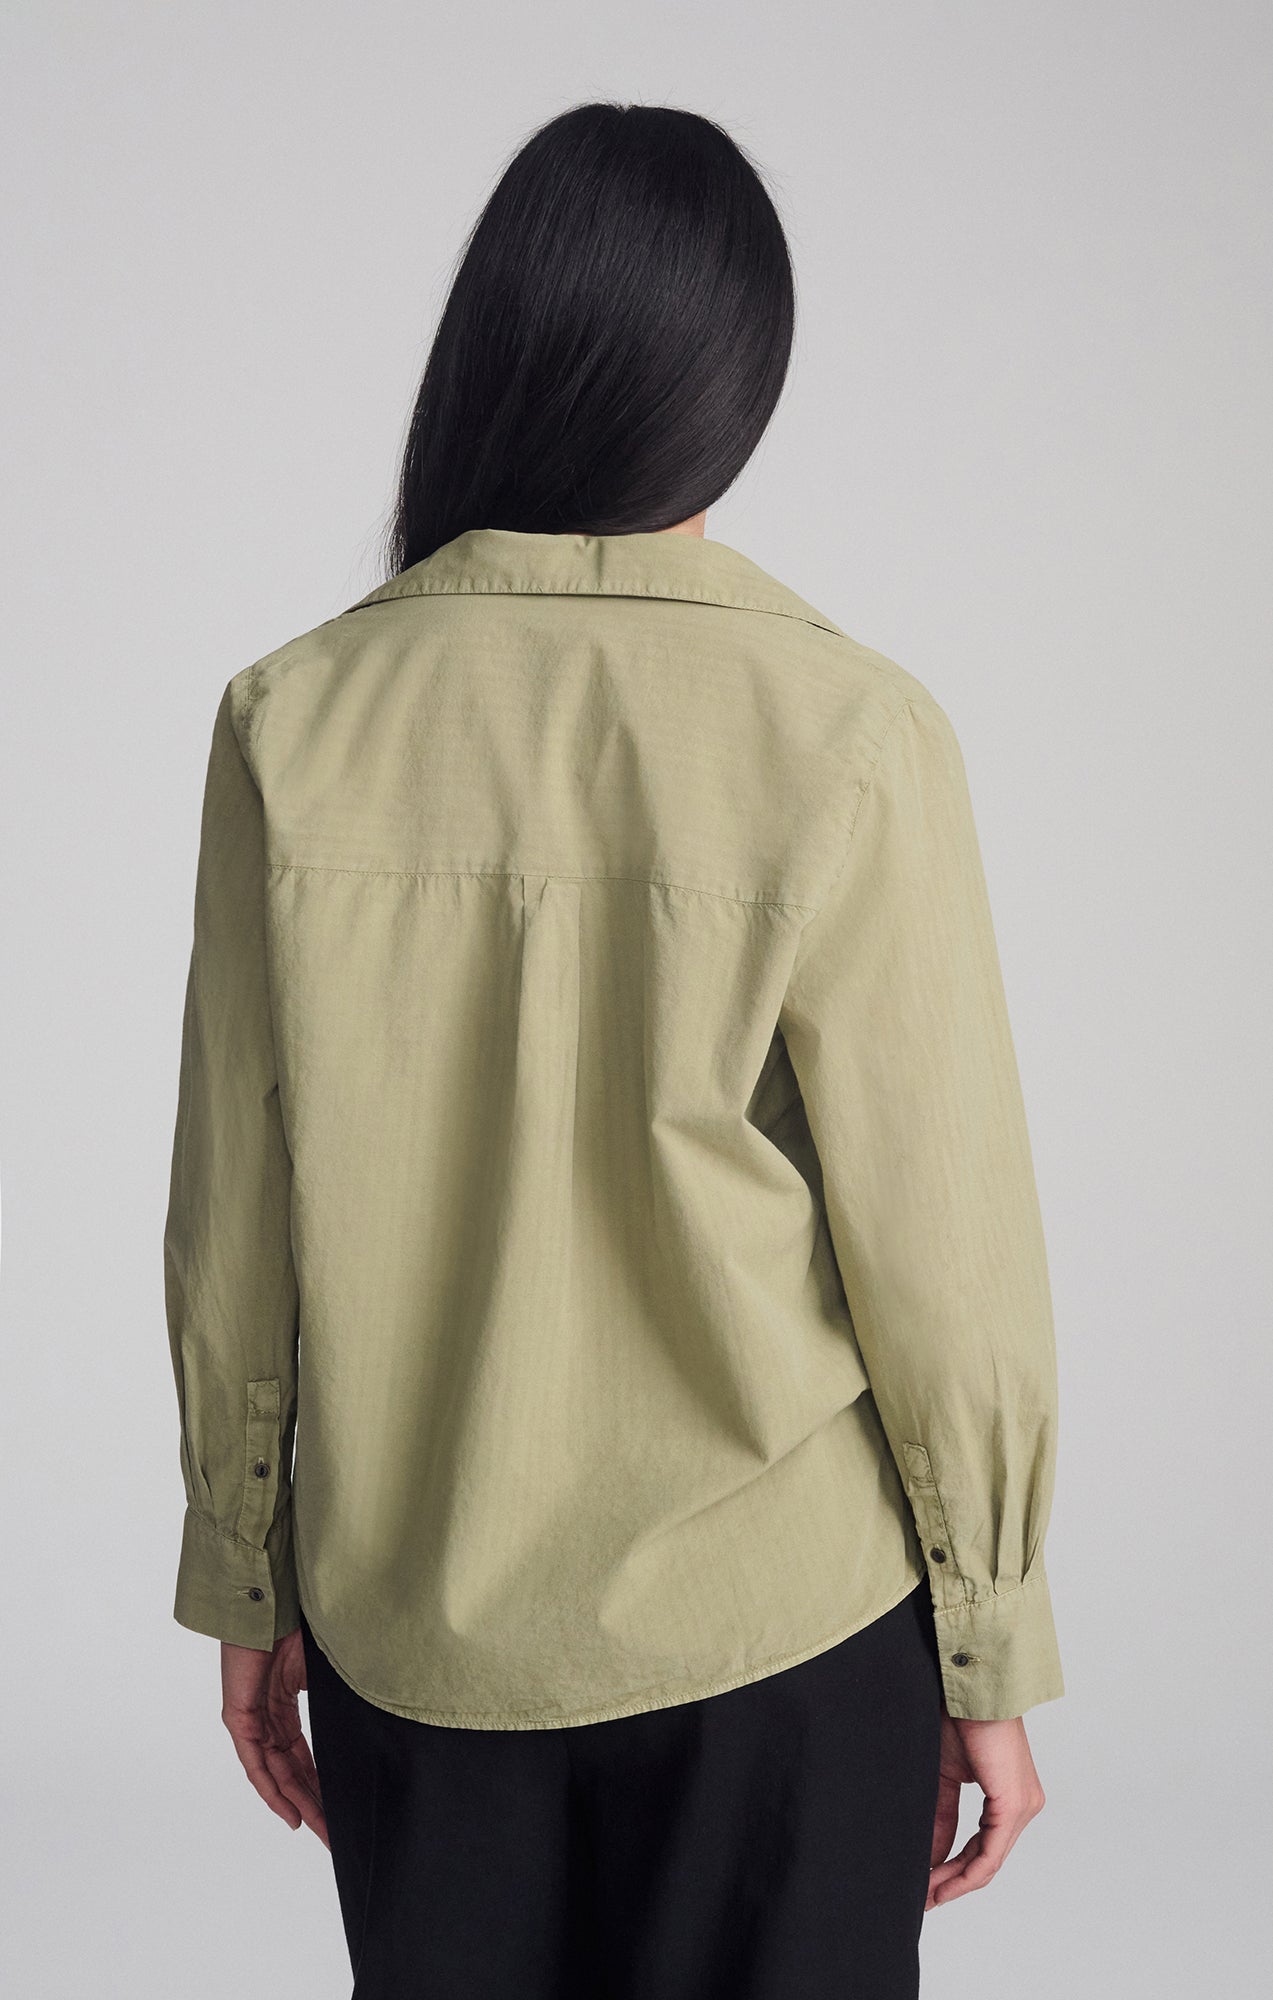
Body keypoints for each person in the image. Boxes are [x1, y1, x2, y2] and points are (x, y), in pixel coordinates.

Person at [162, 100, 1063, 1999]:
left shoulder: (290, 720)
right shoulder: (852, 731)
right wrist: (987, 1643)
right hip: (787, 1634)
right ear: (736, 386)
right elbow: (946, 1258)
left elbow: (234, 1217)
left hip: (418, 1632)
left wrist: (244, 1567)